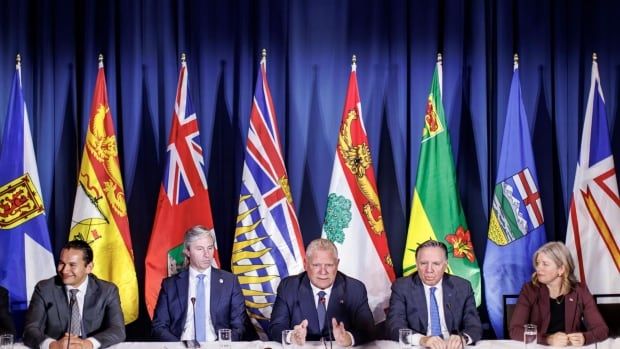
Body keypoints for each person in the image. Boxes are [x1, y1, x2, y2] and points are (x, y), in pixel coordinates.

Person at [268, 238, 375, 347]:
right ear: (306, 264)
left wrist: (348, 338)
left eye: (329, 265)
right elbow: (276, 327)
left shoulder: (355, 289)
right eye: (316, 265)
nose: (323, 272)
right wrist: (292, 336)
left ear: (337, 264)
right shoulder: (289, 287)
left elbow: (368, 330)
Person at [23, 239, 125, 349]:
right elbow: (30, 330)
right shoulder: (44, 289)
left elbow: (117, 330)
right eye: (61, 263)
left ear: (88, 268)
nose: (64, 270)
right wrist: (53, 345)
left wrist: (89, 344)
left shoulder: (107, 291)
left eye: (72, 265)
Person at [151, 225, 247, 342]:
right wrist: (179, 347)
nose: (207, 254)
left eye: (210, 248)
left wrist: (222, 346)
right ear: (187, 251)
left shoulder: (230, 282)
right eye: (200, 249)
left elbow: (238, 326)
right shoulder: (170, 285)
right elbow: (159, 326)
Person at [386, 239, 482, 349]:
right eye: (423, 263)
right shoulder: (402, 287)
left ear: (445, 265)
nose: (429, 270)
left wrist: (463, 338)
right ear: (416, 263)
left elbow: (474, 326)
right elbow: (394, 327)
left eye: (436, 264)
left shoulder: (462, 287)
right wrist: (422, 340)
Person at [509, 241, 608, 346]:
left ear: (561, 269)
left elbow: (602, 330)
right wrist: (548, 339)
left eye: (545, 264)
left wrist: (585, 338)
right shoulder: (529, 290)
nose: (538, 268)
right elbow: (515, 330)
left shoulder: (580, 290)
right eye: (537, 263)